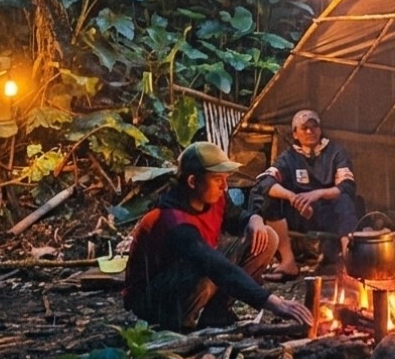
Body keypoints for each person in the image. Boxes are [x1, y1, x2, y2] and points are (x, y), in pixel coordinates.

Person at [122, 141, 312, 331]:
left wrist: (253, 219)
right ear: (192, 181)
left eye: (225, 178)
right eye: (217, 179)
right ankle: (179, 325)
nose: (224, 186)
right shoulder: (173, 220)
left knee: (266, 237)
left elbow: (236, 217)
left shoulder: (214, 198)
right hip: (152, 300)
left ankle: (216, 315)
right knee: (206, 271)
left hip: (196, 268)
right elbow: (214, 265)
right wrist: (270, 302)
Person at [254, 109, 359, 279]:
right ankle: (288, 263)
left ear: (320, 129)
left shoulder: (335, 152)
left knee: (345, 200)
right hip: (300, 213)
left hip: (329, 214)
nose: (310, 131)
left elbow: (347, 185)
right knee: (269, 197)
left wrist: (317, 194)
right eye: (304, 128)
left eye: (314, 126)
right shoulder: (289, 157)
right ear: (295, 133)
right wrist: (292, 197)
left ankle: (350, 264)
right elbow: (265, 181)